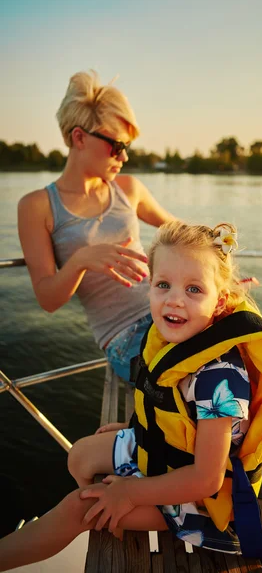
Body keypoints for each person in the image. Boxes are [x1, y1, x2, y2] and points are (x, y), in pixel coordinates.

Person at [1, 221, 262, 572]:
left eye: (193, 289)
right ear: (149, 288)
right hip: (167, 454)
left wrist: (129, 493)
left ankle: (105, 514)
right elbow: (168, 404)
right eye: (164, 285)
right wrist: (142, 427)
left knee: (78, 507)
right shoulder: (169, 340)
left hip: (200, 501)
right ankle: (114, 515)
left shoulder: (219, 381)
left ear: (220, 301)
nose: (175, 299)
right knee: (80, 456)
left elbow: (205, 479)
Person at [17, 70, 175, 384]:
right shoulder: (37, 206)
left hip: (170, 311)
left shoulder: (128, 189)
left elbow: (181, 232)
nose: (124, 156)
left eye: (127, 147)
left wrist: (220, 266)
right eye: (116, 146)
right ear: (79, 137)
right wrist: (80, 260)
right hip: (125, 336)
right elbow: (48, 300)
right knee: (214, 393)